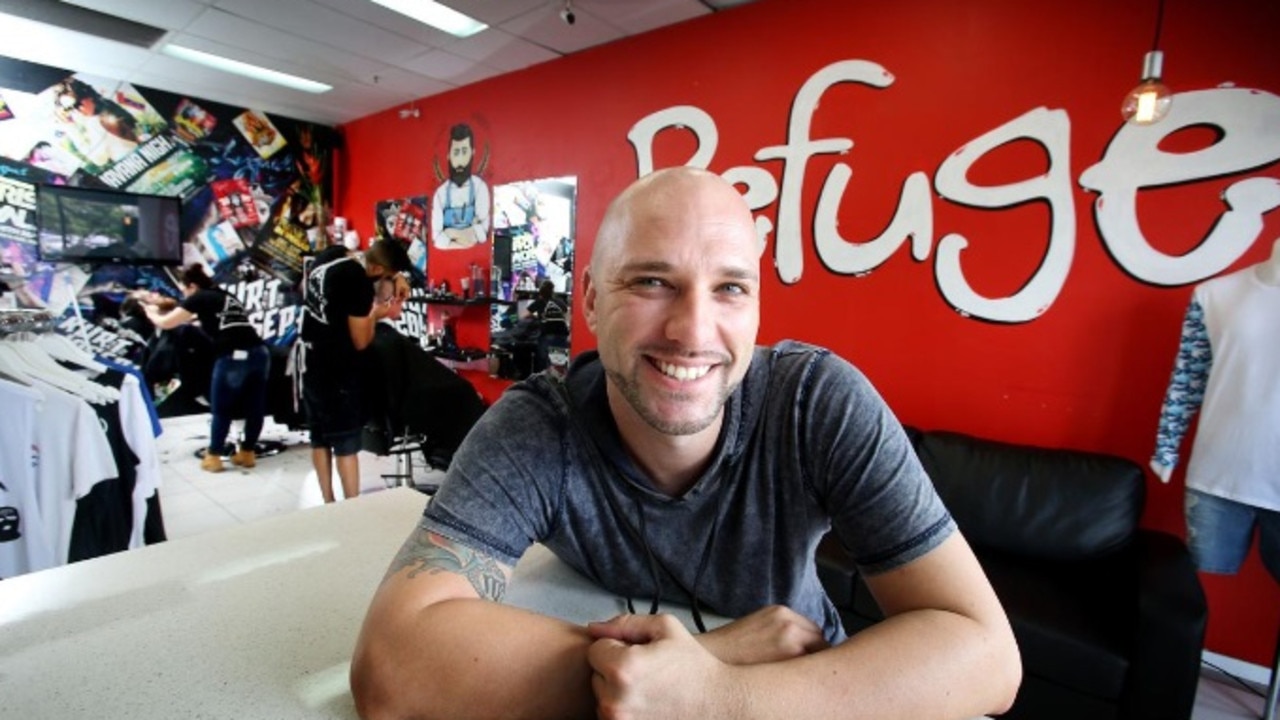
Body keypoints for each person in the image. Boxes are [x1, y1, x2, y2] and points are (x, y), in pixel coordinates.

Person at [350, 167, 1020, 720]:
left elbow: (988, 656)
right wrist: (712, 659)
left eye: (730, 288)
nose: (692, 330)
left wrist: (723, 698)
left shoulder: (817, 403)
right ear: (588, 300)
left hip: (809, 689)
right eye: (651, 282)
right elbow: (391, 664)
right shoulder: (540, 428)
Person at [1150, 236, 1280, 582]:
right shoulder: (1215, 295)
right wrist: (1166, 447)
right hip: (1217, 474)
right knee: (1199, 583)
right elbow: (1187, 378)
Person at [299, 239, 411, 503]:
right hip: (337, 370)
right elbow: (361, 341)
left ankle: (328, 501)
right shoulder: (358, 282)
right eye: (387, 278)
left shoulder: (332, 256)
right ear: (376, 270)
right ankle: (351, 505)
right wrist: (377, 314)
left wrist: (398, 277)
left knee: (320, 439)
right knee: (345, 442)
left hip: (309, 361)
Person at [143, 265, 269, 472]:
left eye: (184, 290)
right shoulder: (225, 295)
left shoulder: (199, 297)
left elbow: (167, 323)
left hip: (233, 355)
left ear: (192, 286)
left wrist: (152, 313)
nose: (184, 295)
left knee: (222, 408)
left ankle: (214, 456)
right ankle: (247, 453)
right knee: (254, 406)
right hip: (259, 353)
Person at [430, 123, 491, 249]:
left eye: (464, 152)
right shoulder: (440, 194)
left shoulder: (480, 187)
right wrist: (469, 233)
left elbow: (482, 235)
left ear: (472, 153)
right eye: (456, 152)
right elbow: (437, 240)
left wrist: (449, 233)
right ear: (449, 156)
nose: (460, 160)